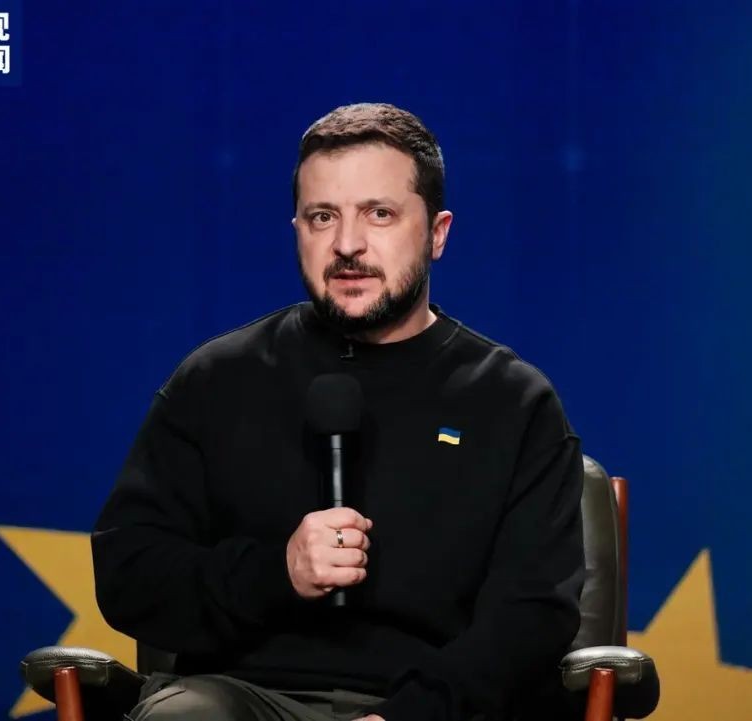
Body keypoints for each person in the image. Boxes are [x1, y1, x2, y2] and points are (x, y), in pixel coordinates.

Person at [92, 102, 585, 721]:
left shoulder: (512, 401)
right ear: (297, 229)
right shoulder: (217, 380)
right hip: (242, 698)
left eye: (380, 214)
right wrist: (277, 573)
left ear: (437, 233)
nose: (348, 245)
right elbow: (129, 572)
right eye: (322, 217)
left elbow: (531, 617)